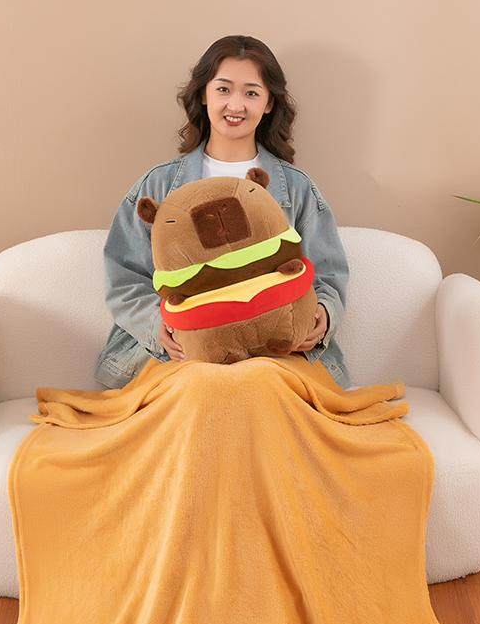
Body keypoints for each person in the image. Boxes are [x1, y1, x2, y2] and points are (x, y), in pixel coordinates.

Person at [95, 35, 351, 390]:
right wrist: (159, 327)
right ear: (204, 95)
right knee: (202, 385)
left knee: (262, 382)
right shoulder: (158, 186)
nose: (236, 105)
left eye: (251, 93)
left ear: (269, 103)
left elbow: (328, 274)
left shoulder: (297, 188)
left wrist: (321, 316)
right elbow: (123, 276)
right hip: (181, 359)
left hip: (275, 357)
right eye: (223, 89)